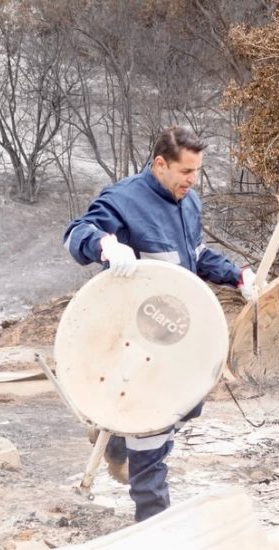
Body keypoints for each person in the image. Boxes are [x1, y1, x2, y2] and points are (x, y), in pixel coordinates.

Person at [63, 127, 256, 522]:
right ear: (160, 164)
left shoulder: (188, 201)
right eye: (186, 171)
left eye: (197, 171)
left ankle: (116, 441)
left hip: (176, 331)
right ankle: (154, 525)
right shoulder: (124, 199)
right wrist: (105, 245)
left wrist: (237, 276)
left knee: (188, 403)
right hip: (134, 338)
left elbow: (195, 255)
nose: (193, 180)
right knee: (151, 431)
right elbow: (76, 234)